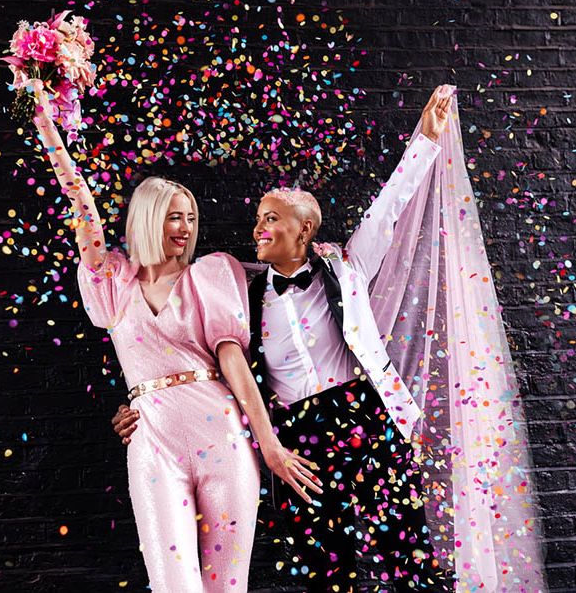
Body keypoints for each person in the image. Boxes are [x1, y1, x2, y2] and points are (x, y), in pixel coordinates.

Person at [113, 87, 454, 591]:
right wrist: (140, 403)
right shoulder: (238, 289)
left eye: (271, 218)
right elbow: (185, 349)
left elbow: (390, 208)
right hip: (296, 434)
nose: (258, 228)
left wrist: (425, 139)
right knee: (322, 566)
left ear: (305, 228)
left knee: (405, 552)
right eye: (258, 219)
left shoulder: (348, 264)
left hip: (363, 413)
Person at [29, 86, 322, 593]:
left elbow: (235, 367)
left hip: (225, 439)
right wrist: (44, 120)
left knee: (226, 587)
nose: (186, 227)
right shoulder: (113, 282)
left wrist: (269, 445)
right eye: (174, 215)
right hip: (153, 442)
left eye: (190, 216)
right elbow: (81, 208)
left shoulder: (212, 273)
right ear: (148, 216)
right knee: (174, 587)